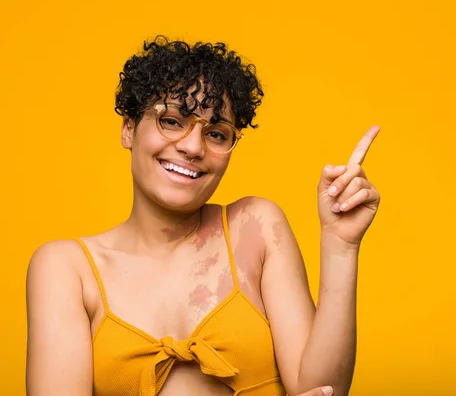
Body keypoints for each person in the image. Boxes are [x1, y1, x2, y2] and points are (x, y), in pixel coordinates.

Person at [25, 36, 381, 396]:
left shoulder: (255, 228)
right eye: (172, 121)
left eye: (215, 133)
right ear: (129, 128)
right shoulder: (66, 269)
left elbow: (321, 389)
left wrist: (340, 246)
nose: (193, 147)